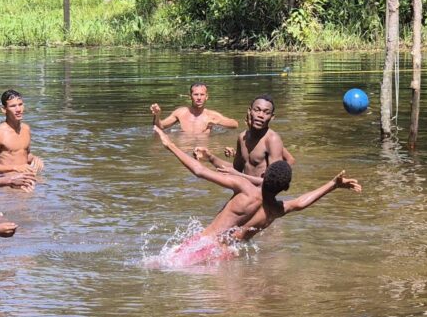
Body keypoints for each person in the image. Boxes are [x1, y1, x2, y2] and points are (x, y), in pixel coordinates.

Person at [155, 129, 360, 263]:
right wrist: (332, 184)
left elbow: (199, 171)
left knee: (159, 266)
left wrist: (171, 145)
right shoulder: (277, 210)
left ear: (264, 175)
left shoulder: (245, 188)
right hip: (225, 256)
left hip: (204, 246)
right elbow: (301, 202)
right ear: (285, 187)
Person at [222, 95, 295, 177]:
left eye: (266, 113)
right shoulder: (242, 137)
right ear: (250, 111)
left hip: (261, 189)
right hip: (244, 187)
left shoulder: (272, 140)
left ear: (272, 117)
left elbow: (273, 181)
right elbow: (236, 170)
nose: (260, 115)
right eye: (257, 110)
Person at [150, 82, 239, 135]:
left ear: (206, 97)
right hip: (184, 147)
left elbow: (235, 124)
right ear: (190, 96)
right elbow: (160, 126)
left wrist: (218, 122)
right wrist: (157, 116)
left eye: (202, 94)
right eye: (196, 94)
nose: (199, 98)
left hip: (203, 148)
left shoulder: (211, 115)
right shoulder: (180, 113)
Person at [0, 89, 44, 175]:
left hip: (26, 177)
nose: (18, 109)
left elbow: (25, 154)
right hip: (9, 182)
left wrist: (34, 159)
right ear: (4, 109)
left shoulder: (26, 129)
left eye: (20, 104)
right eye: (13, 106)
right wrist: (16, 168)